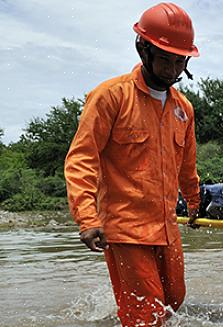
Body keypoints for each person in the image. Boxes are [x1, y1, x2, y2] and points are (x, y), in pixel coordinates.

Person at [63, 3, 201, 325]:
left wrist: (194, 201)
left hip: (167, 228)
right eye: (166, 58)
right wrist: (87, 217)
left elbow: (187, 166)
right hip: (125, 228)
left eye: (180, 60)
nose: (172, 69)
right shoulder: (111, 96)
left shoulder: (184, 109)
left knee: (174, 304)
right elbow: (82, 158)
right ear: (143, 48)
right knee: (146, 315)